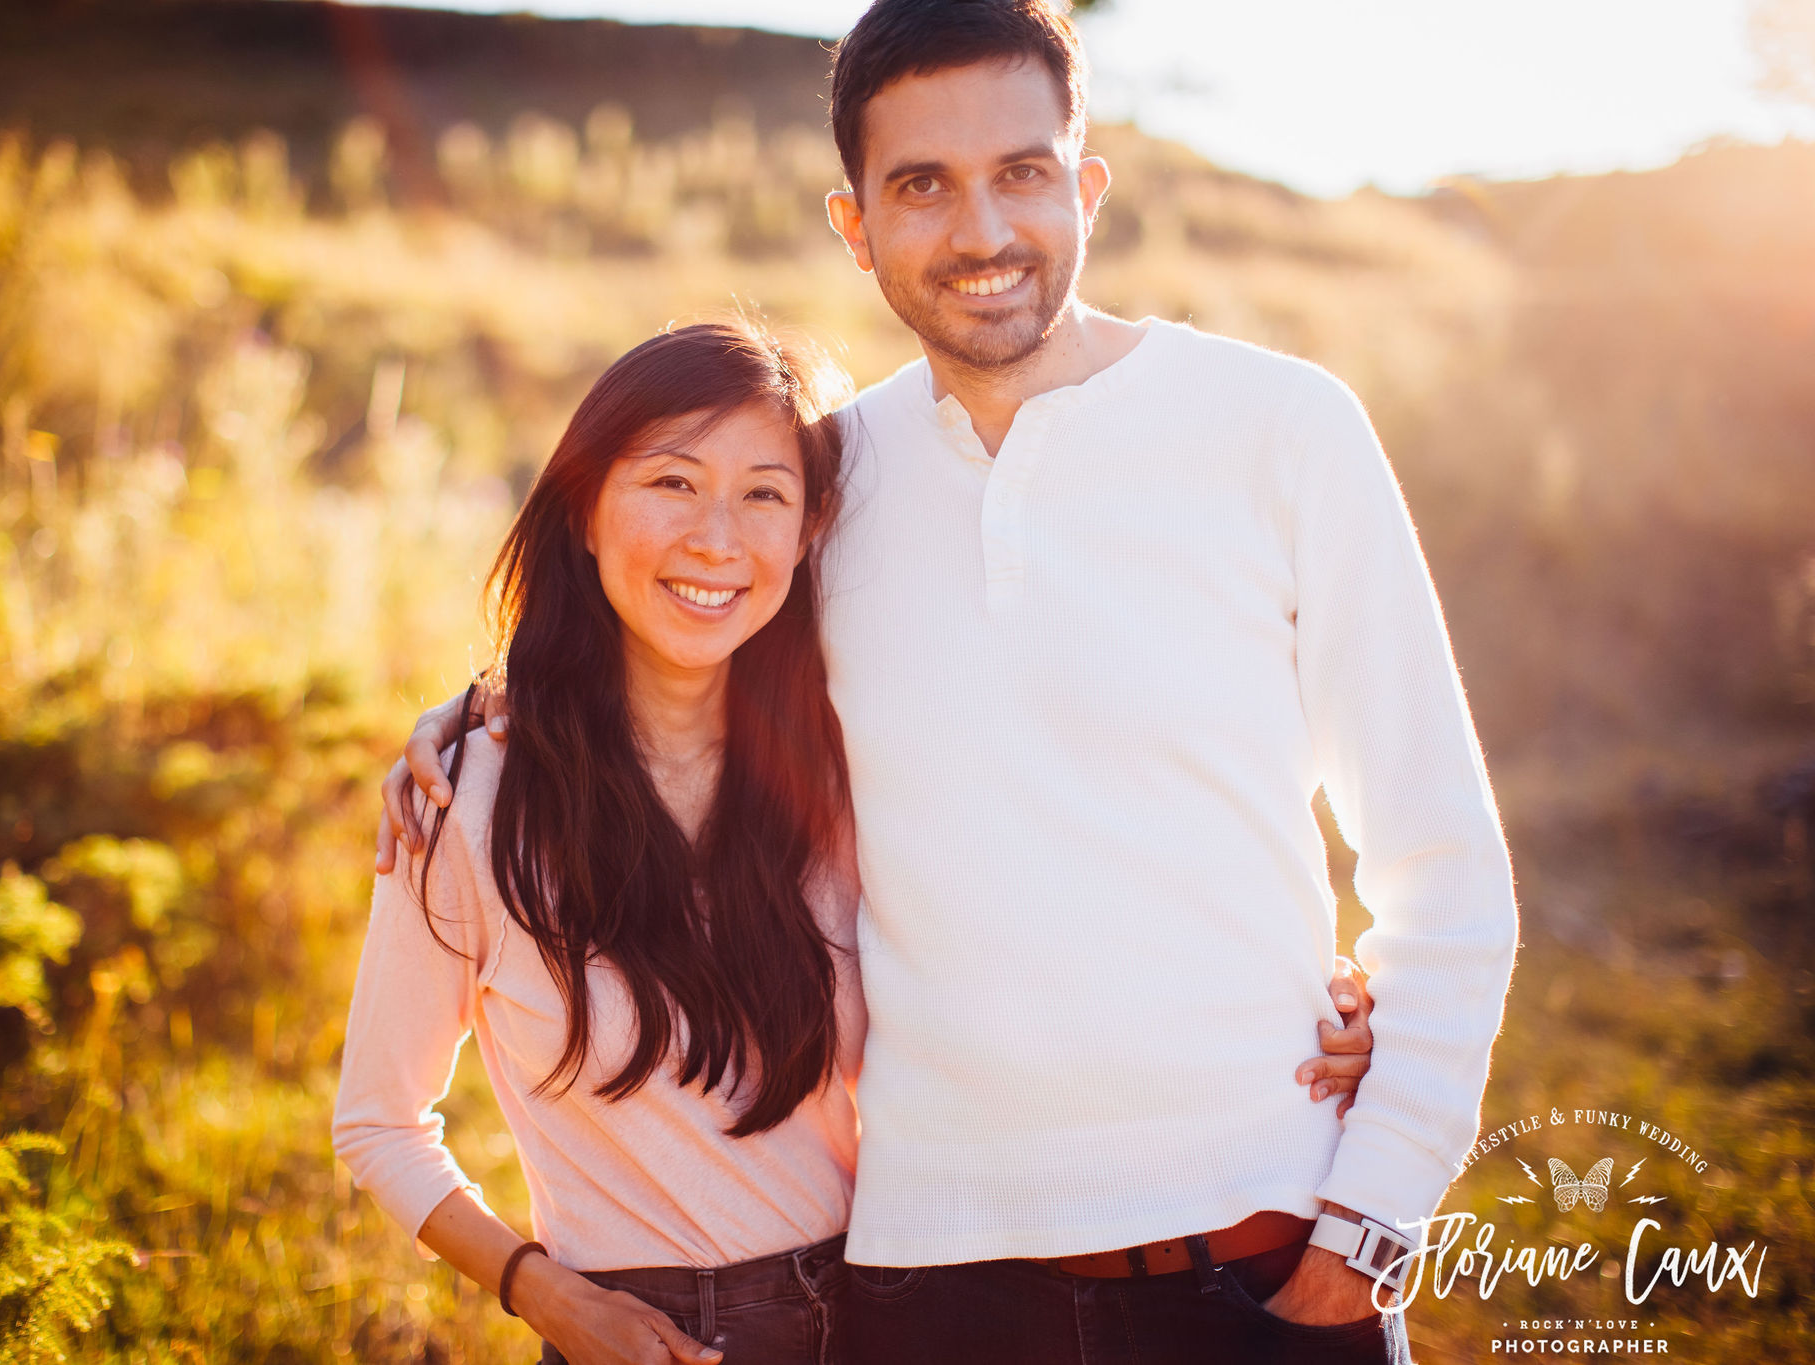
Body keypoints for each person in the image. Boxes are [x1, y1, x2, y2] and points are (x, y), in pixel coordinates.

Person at [387, 2, 1524, 1362]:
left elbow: (1446, 865)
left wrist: (1368, 1234)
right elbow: (662, 632)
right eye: (922, 185)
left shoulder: (1282, 432)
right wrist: (477, 720)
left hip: (1264, 1267)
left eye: (1021, 173)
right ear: (854, 226)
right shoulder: (822, 484)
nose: (981, 231)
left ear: (1085, 185)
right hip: (936, 1293)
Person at [337, 316, 1380, 1365]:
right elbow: (379, 1122)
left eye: (763, 495)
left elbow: (1063, 894)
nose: (717, 537)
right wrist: (543, 1293)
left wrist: (1289, 995)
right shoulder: (469, 797)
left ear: (808, 533)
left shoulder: (840, 778)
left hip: (893, 1314)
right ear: (585, 510)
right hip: (635, 1334)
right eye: (670, 483)